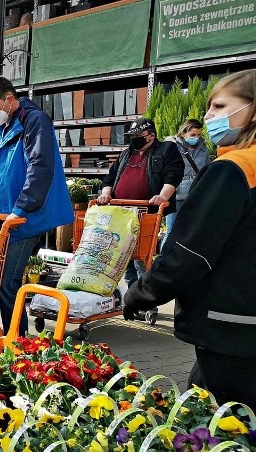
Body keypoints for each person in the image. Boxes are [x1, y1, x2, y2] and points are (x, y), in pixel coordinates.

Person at [123, 69, 256, 409]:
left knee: (223, 424)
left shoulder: (233, 170)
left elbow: (190, 251)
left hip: (230, 324)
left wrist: (142, 293)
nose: (209, 116)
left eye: (220, 105)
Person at [0, 76, 73, 336]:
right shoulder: (1, 130)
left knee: (6, 281)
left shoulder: (34, 122)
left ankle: (16, 340)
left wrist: (22, 208)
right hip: (3, 217)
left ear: (10, 100)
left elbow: (41, 167)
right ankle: (11, 336)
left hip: (26, 218)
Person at [97, 118, 183, 286]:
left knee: (142, 257)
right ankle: (131, 292)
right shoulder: (126, 153)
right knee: (123, 256)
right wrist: (106, 193)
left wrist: (162, 196)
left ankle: (145, 297)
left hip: (146, 212)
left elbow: (174, 173)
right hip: (120, 211)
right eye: (132, 135)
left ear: (151, 136)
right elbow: (110, 177)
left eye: (138, 135)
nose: (134, 139)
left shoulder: (166, 149)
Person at [162, 119, 211, 249]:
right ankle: (163, 263)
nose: (196, 138)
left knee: (192, 231)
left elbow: (205, 170)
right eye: (193, 135)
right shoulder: (173, 147)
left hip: (195, 195)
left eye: (199, 135)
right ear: (183, 133)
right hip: (176, 195)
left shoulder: (203, 150)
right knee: (171, 231)